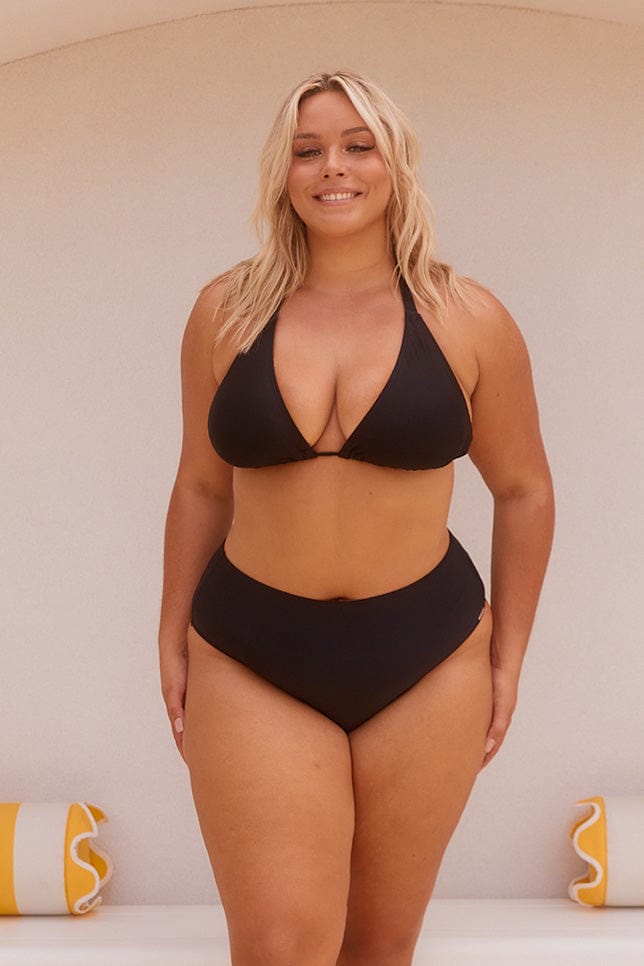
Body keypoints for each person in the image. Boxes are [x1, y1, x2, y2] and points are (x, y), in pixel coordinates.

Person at [158, 69, 554, 966]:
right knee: (280, 946)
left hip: (429, 657)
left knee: (376, 948)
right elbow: (201, 488)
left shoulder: (468, 317)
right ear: (283, 172)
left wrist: (508, 655)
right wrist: (171, 636)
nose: (332, 167)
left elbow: (525, 488)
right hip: (251, 652)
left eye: (357, 145)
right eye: (308, 150)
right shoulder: (226, 311)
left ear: (395, 164)